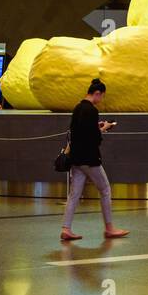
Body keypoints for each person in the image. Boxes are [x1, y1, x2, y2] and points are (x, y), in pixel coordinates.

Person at [60, 79, 128, 243]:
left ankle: (66, 229)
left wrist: (96, 127)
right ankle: (109, 228)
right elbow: (93, 138)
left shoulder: (78, 108)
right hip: (90, 159)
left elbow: (80, 132)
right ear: (97, 93)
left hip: (76, 158)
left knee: (74, 194)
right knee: (105, 189)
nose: (101, 100)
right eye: (101, 96)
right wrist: (103, 129)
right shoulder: (91, 110)